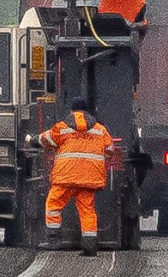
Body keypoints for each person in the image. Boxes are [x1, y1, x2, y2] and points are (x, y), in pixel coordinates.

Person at [26, 97, 114, 257]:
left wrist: (31, 139)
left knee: (53, 205)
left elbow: (46, 139)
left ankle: (53, 241)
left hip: (65, 178)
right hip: (89, 178)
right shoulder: (100, 130)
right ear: (87, 111)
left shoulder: (63, 127)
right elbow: (109, 149)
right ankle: (89, 246)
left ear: (72, 111)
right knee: (87, 211)